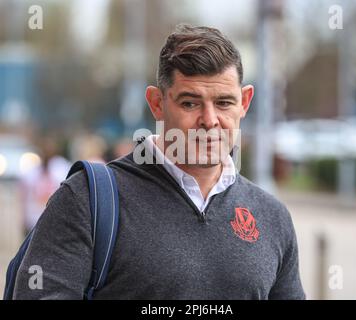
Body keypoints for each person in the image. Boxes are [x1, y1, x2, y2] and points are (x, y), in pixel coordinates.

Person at [13, 24, 305, 300]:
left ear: (244, 102)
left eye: (224, 103)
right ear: (156, 103)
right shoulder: (86, 201)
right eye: (190, 103)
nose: (210, 120)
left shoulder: (272, 217)